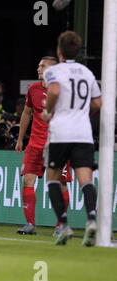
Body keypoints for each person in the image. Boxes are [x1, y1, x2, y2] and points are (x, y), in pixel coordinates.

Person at [42, 31, 101, 246]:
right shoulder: (87, 72)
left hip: (61, 132)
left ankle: (64, 225)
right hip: (83, 133)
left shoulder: (54, 71)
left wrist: (48, 112)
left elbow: (55, 91)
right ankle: (92, 219)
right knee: (85, 179)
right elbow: (97, 104)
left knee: (53, 178)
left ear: (59, 51)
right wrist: (81, 111)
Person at [15, 56, 73, 236]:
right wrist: (20, 138)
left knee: (59, 184)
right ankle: (30, 224)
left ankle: (59, 225)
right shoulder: (33, 89)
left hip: (58, 144)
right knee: (27, 180)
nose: (38, 68)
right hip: (34, 143)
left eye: (42, 66)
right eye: (38, 65)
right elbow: (26, 113)